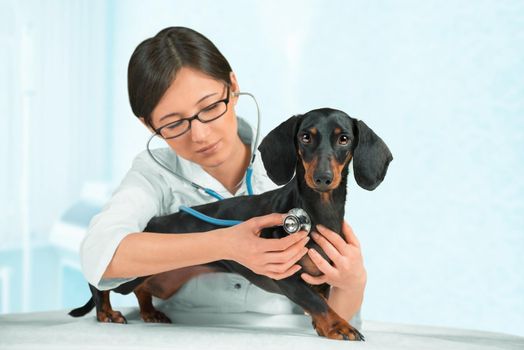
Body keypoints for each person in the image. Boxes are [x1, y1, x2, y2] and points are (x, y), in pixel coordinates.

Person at [79, 26, 366, 329]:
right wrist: (225, 245)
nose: (200, 135)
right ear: (149, 125)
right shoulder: (154, 175)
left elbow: (340, 321)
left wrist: (354, 280)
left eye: (211, 106)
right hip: (180, 336)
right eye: (174, 123)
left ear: (233, 85)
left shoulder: (291, 164)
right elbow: (98, 254)